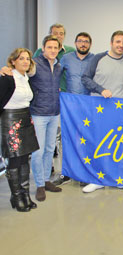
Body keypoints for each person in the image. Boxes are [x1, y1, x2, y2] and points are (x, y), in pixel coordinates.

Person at [81, 30, 123, 193]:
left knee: (118, 144)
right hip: (100, 110)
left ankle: (117, 178)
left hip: (120, 112)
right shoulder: (98, 58)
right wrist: (101, 89)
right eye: (118, 42)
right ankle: (98, 179)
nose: (121, 45)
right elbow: (85, 78)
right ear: (111, 43)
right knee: (99, 145)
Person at [52, 32, 95, 186]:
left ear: (90, 44)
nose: (83, 44)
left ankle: (84, 173)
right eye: (80, 41)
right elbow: (54, 74)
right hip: (70, 106)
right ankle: (66, 173)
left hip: (88, 106)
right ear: (75, 43)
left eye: (86, 41)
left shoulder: (95, 59)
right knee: (67, 139)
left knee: (86, 139)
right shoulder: (66, 58)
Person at [0, 49, 39, 212]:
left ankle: (25, 195)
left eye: (28, 59)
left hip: (25, 119)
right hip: (11, 120)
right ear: (13, 61)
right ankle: (16, 196)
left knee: (24, 159)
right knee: (14, 160)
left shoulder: (26, 78)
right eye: (21, 58)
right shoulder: (7, 77)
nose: (25, 61)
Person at [30, 35, 64, 201]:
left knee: (50, 149)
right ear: (43, 48)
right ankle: (39, 185)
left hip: (54, 112)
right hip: (38, 113)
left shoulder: (58, 66)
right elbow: (22, 71)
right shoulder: (34, 63)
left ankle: (45, 180)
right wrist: (7, 69)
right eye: (49, 47)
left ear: (59, 49)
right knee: (38, 151)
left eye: (55, 48)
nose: (52, 50)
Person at [33, 23, 75, 92]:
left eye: (61, 34)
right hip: (44, 92)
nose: (58, 36)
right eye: (55, 33)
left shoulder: (71, 51)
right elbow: (30, 69)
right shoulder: (40, 52)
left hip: (65, 91)